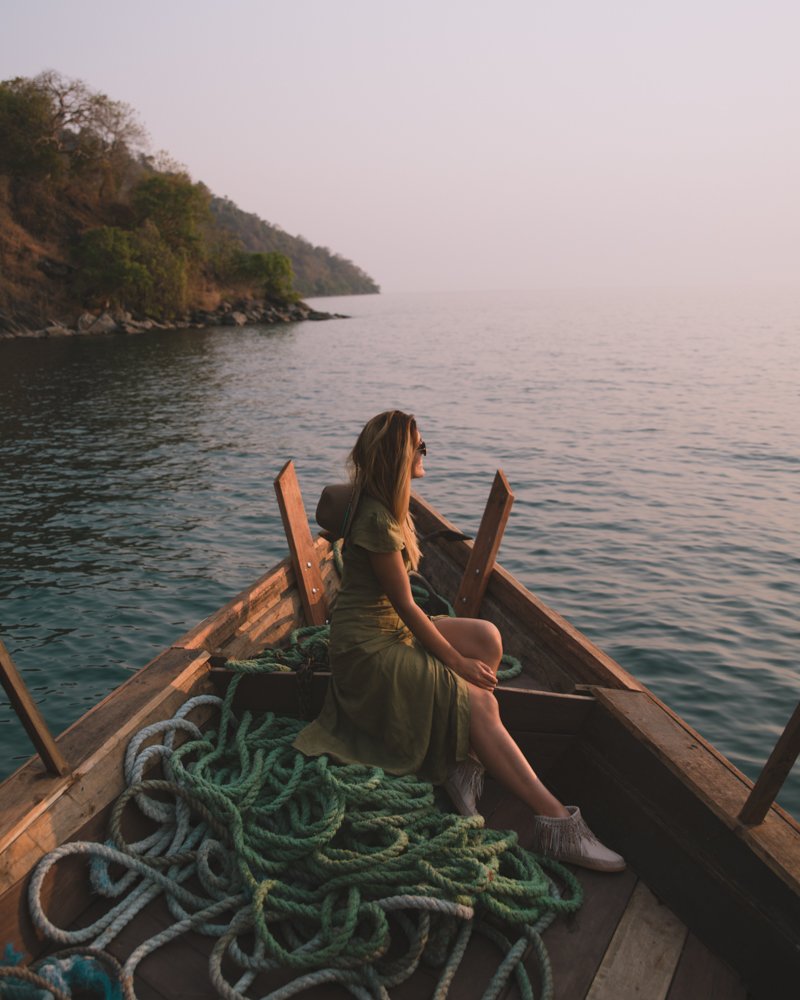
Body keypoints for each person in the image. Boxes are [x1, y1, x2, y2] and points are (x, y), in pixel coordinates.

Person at [293, 410, 625, 872]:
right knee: (482, 702)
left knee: (487, 637)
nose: (426, 453)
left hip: (389, 627)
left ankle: (461, 762)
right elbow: (409, 607)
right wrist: (457, 665)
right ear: (398, 457)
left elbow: (336, 504)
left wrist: (462, 660)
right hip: (367, 647)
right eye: (420, 447)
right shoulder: (377, 520)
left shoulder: (383, 503)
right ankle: (555, 825)